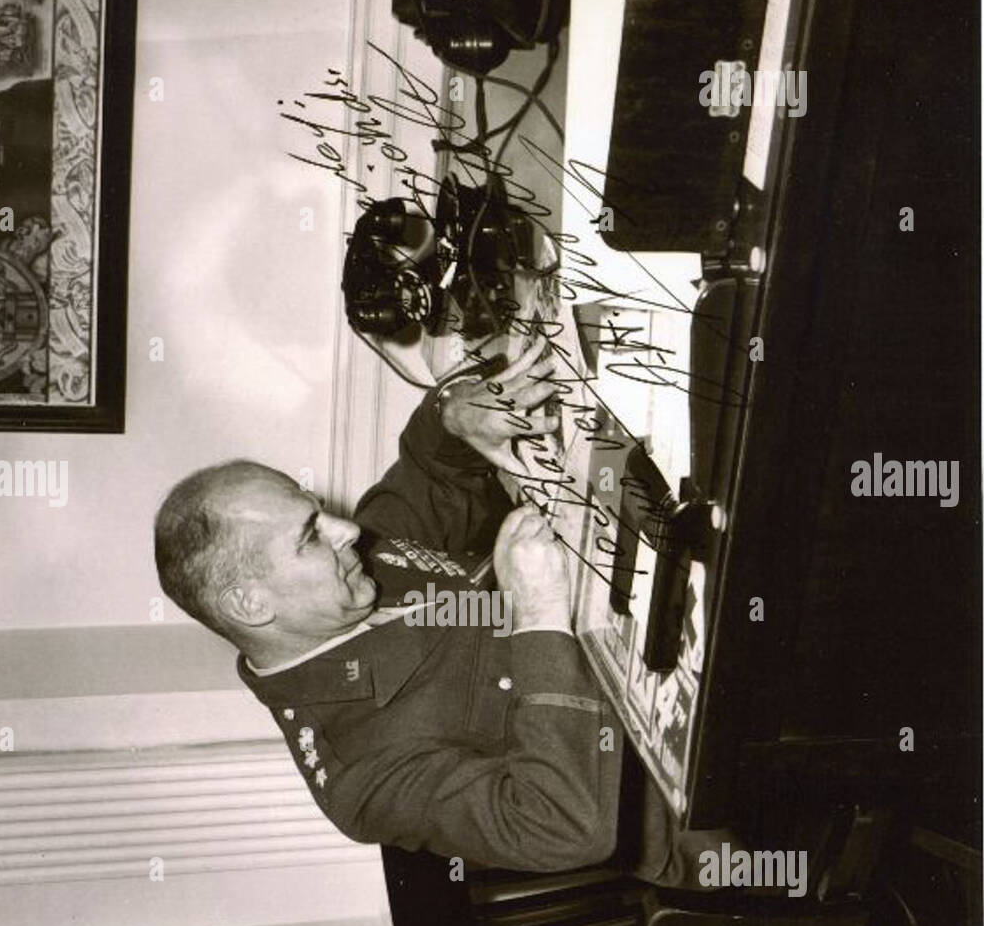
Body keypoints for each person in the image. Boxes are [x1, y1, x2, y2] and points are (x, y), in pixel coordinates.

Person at [154, 339, 715, 879]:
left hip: (659, 587)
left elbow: (428, 464)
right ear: (250, 604)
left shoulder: (352, 571)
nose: (347, 530)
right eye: (310, 537)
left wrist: (454, 410)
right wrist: (538, 614)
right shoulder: (361, 776)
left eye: (319, 511)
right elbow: (564, 826)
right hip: (700, 783)